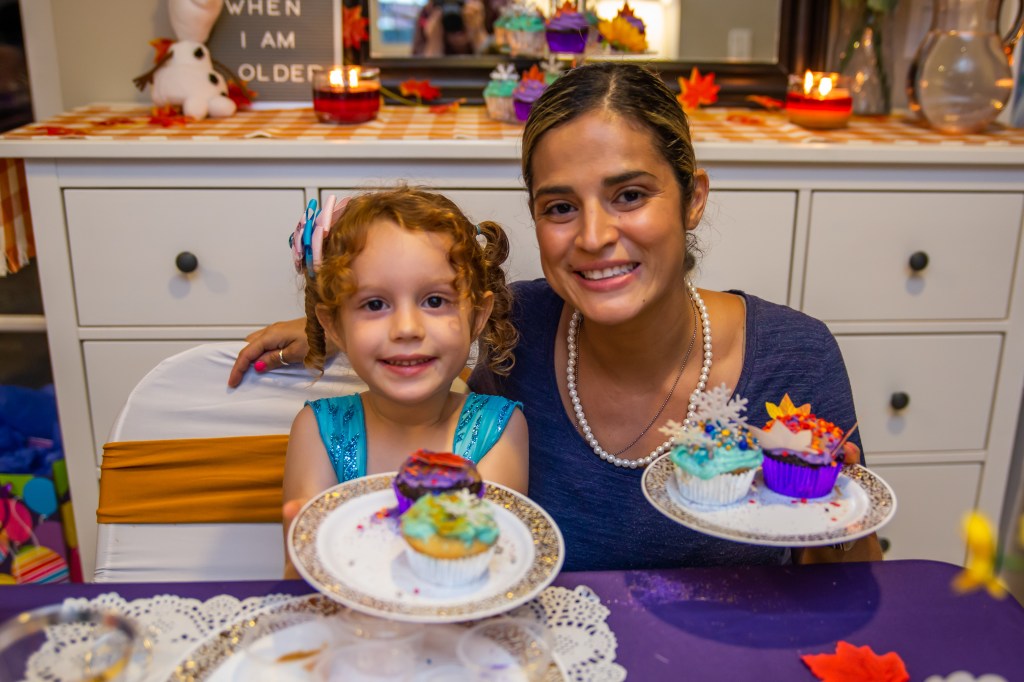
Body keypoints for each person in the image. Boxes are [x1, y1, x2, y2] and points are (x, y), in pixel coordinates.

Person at [232, 63, 882, 572]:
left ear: (692, 199)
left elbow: (853, 571)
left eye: (630, 195)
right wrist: (331, 332)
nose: (594, 236)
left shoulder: (797, 358)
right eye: (560, 206)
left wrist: (840, 545)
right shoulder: (517, 328)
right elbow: (431, 318)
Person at [280, 187, 529, 578]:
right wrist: (301, 563)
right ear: (335, 327)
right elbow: (308, 582)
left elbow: (493, 572)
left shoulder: (499, 428)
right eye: (375, 304)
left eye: (434, 301)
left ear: (477, 316)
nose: (407, 329)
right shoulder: (317, 430)